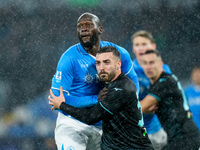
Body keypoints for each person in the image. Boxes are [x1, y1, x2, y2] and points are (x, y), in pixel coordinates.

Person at [50, 12, 139, 150]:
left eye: (89, 25)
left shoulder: (118, 53)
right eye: (80, 26)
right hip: (73, 124)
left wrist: (130, 104)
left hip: (105, 126)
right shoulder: (69, 58)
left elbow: (133, 81)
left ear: (100, 29)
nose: (83, 29)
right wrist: (95, 99)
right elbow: (57, 98)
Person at [49, 46, 153, 150]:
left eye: (107, 62)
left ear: (118, 64)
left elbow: (90, 117)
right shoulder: (113, 84)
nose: (101, 67)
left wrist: (62, 105)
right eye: (98, 63)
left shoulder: (121, 90)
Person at [140, 50, 200, 150]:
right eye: (145, 63)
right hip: (180, 139)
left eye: (152, 62)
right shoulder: (165, 81)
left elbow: (140, 107)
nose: (148, 66)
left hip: (184, 138)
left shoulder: (164, 83)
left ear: (161, 63)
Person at [131, 30, 170, 149]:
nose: (140, 48)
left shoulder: (164, 70)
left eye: (144, 44)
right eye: (137, 45)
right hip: (133, 130)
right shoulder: (129, 71)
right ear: (133, 49)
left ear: (153, 46)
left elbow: (164, 101)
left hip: (157, 129)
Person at [184, 66, 200, 132]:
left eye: (198, 74)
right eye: (195, 74)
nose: (196, 76)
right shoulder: (187, 91)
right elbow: (184, 108)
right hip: (192, 128)